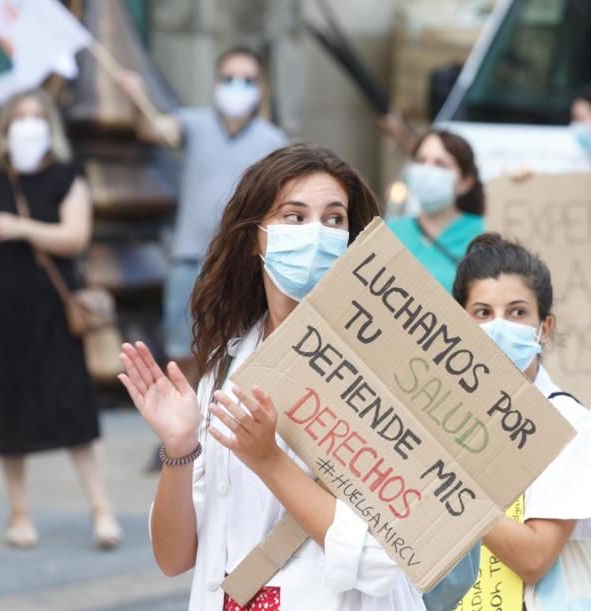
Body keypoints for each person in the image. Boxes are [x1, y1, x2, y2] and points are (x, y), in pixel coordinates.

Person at [117, 144, 425, 610]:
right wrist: (178, 450)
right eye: (294, 217)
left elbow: (382, 562)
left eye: (334, 219)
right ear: (254, 236)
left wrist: (269, 460)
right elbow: (175, 556)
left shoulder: (380, 367)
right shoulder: (226, 364)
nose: (316, 234)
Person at [0, 89, 121, 549]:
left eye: (36, 117)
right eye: (19, 118)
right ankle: (19, 513)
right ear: (3, 129)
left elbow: (76, 236)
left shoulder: (67, 176)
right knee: (7, 411)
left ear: (50, 126)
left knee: (73, 408)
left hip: (51, 312)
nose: (28, 125)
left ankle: (102, 510)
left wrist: (22, 228)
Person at [453, 233, 591, 610]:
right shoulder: (449, 420)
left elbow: (534, 559)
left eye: (517, 312)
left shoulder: (568, 426)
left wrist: (444, 480)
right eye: (482, 313)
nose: (499, 327)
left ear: (544, 328)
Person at [117, 46, 288, 381]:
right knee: (181, 346)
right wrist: (138, 95)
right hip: (189, 256)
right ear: (215, 82)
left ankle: (212, 426)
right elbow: (153, 128)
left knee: (236, 346)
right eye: (229, 78)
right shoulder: (194, 123)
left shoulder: (273, 140)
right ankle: (186, 423)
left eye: (247, 80)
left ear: (261, 88)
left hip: (244, 261)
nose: (237, 87)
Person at [388, 129, 484, 289]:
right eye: (420, 161)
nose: (427, 171)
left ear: (465, 182)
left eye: (441, 164)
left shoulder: (486, 233)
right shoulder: (390, 232)